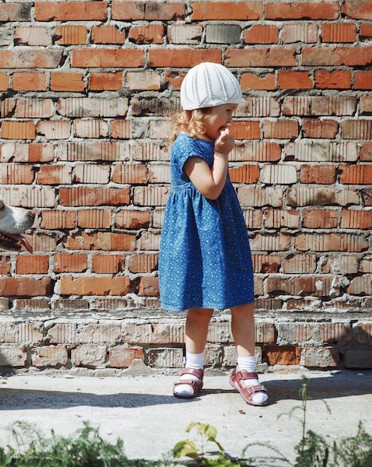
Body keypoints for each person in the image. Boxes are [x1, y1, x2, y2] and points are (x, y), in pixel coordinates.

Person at [158, 62, 268, 406]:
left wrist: (219, 151)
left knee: (242, 303)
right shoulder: (186, 147)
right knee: (200, 307)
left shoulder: (209, 141)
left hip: (224, 234)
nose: (231, 118)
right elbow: (210, 188)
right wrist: (221, 154)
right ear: (202, 111)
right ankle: (193, 368)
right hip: (196, 240)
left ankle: (246, 370)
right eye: (227, 111)